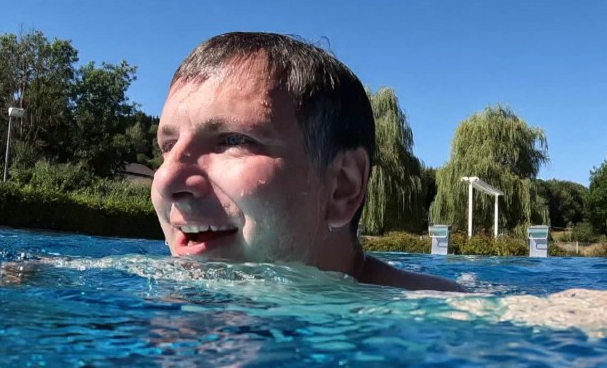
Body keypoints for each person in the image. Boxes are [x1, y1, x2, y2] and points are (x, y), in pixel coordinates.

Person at [152, 31, 464, 292]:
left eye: (233, 140)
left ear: (343, 186)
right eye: (168, 145)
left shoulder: (458, 322)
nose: (167, 180)